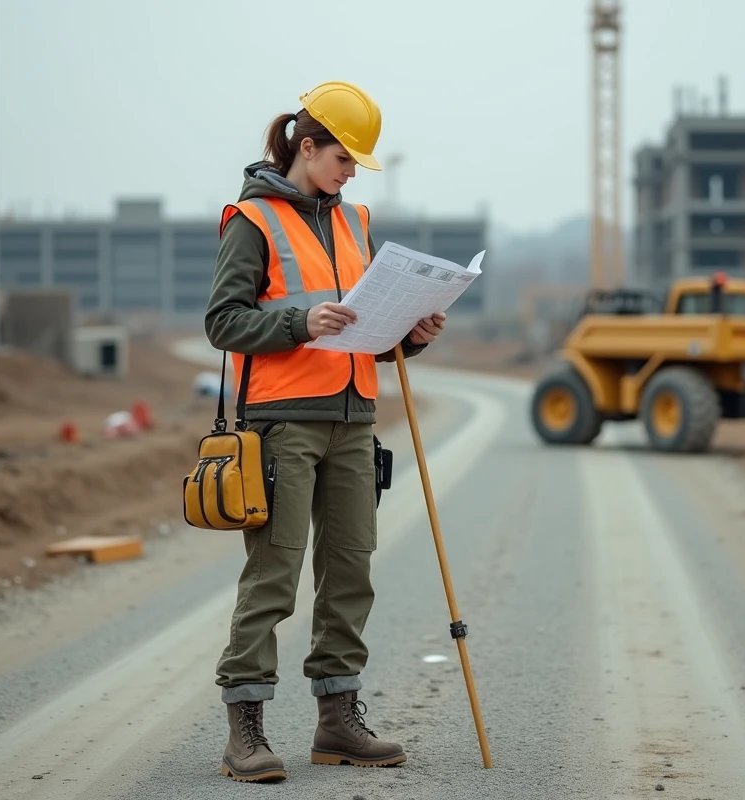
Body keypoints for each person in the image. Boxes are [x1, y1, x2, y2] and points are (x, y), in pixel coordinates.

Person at [204, 80, 445, 783]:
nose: (349, 173)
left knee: (350, 574)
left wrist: (412, 332)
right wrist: (297, 322)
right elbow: (223, 324)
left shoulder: (355, 222)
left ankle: (337, 721)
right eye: (342, 158)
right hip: (282, 425)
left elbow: (364, 333)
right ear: (306, 147)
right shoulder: (253, 221)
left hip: (353, 421)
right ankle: (244, 731)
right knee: (273, 577)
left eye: (355, 164)